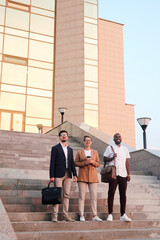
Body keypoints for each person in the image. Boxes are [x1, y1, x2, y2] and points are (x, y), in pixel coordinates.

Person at [49, 130, 77, 222]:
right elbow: (52, 162)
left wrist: (75, 174)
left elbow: (72, 163)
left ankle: (65, 215)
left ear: (67, 137)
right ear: (59, 137)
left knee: (66, 195)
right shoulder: (55, 148)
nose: (64, 136)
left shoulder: (70, 149)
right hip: (58, 174)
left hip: (68, 174)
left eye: (65, 135)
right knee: (57, 194)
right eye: (62, 135)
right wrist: (51, 176)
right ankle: (55, 216)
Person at [103, 133, 132, 222]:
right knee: (111, 193)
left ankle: (123, 214)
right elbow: (104, 159)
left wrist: (128, 174)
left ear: (121, 138)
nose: (118, 138)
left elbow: (127, 162)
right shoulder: (109, 148)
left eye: (119, 137)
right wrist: (112, 157)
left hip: (123, 174)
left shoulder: (125, 149)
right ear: (114, 139)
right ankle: (110, 214)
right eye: (116, 137)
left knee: (123, 195)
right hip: (113, 174)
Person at [75, 135, 102, 222]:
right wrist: (84, 163)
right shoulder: (80, 152)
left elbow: (98, 164)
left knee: (93, 197)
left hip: (93, 176)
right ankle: (81, 215)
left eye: (89, 140)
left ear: (91, 142)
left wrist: (92, 161)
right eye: (86, 140)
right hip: (83, 175)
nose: (88, 142)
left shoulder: (95, 152)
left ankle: (94, 215)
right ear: (84, 142)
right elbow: (75, 163)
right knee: (81, 196)